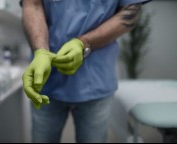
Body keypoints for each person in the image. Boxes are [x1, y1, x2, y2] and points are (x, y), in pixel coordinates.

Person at [21, 0, 151, 143]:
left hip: (95, 81)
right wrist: (40, 51)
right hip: (47, 80)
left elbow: (130, 11)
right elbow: (32, 4)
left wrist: (84, 43)